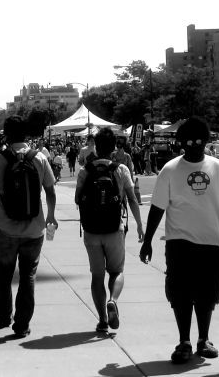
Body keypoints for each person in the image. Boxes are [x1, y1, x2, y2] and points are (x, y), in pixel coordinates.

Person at [139, 116, 219, 364]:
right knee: (180, 293)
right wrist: (147, 240)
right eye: (188, 141)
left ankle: (204, 339)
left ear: (206, 141)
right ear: (181, 142)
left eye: (199, 141)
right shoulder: (170, 170)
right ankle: (184, 341)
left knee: (208, 293)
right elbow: (157, 209)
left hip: (212, 242)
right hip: (178, 242)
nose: (193, 145)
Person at [0, 115, 57, 337]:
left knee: (4, 274)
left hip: (6, 228)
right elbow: (50, 190)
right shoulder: (39, 157)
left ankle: (4, 316)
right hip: (34, 229)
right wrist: (50, 216)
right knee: (28, 276)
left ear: (7, 133)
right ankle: (22, 325)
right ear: (26, 133)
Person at [75, 128, 144, 334]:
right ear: (114, 147)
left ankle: (103, 320)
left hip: (91, 230)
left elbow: (78, 198)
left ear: (96, 146)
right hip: (114, 229)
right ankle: (113, 300)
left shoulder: (85, 170)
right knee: (117, 271)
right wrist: (140, 224)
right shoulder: (120, 169)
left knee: (97, 276)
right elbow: (132, 198)